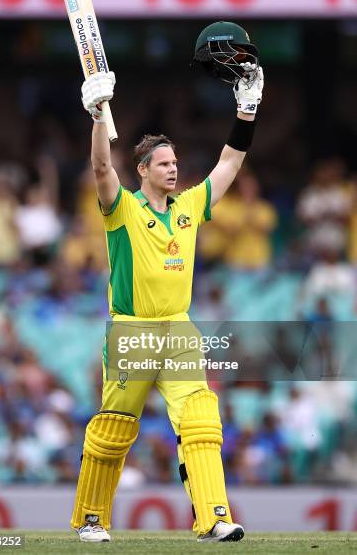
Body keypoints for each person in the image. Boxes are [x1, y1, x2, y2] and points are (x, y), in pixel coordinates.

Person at [71, 33, 264, 543]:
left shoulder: (189, 207)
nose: (174, 167)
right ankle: (92, 519)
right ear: (143, 171)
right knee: (113, 431)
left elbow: (229, 164)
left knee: (201, 422)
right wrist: (97, 116)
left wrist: (247, 111)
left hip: (178, 330)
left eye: (175, 162)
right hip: (133, 330)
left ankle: (215, 517)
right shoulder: (124, 209)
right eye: (164, 163)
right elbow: (99, 167)